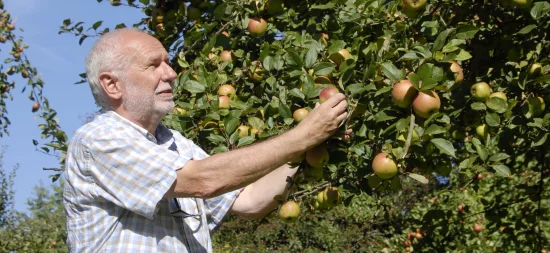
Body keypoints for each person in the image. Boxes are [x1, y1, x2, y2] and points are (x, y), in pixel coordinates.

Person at [62, 27, 348, 252]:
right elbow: (203, 180)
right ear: (112, 84)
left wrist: (308, 145)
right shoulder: (98, 140)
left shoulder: (175, 143)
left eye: (168, 63)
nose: (171, 74)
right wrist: (304, 135)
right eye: (153, 65)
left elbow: (250, 202)